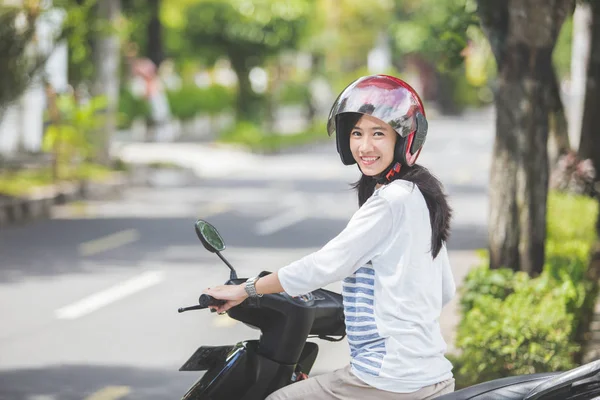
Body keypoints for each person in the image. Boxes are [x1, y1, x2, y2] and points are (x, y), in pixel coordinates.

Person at [204, 75, 456, 400]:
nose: (365, 146)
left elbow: (324, 265)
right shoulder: (420, 195)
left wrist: (245, 289)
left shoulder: (391, 202)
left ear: (404, 139)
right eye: (356, 133)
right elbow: (444, 289)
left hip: (389, 378)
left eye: (378, 133)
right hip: (432, 374)